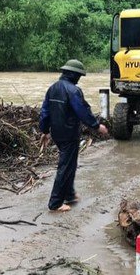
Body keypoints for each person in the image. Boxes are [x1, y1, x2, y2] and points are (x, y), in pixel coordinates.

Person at [39, 59, 109, 212]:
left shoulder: (52, 88)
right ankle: (55, 203)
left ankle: (69, 194)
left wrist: (44, 131)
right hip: (69, 134)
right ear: (73, 75)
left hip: (57, 134)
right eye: (79, 76)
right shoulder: (73, 91)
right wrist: (97, 126)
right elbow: (82, 111)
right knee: (65, 166)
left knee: (69, 163)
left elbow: (45, 111)